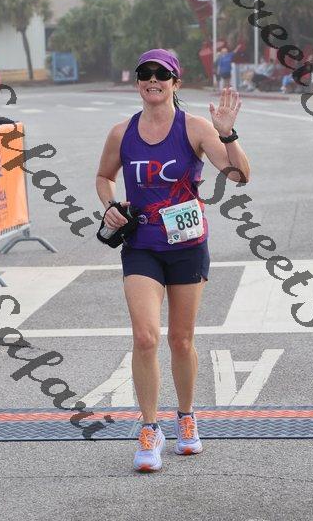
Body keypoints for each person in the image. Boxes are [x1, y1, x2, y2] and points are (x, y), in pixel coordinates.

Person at [96, 48, 250, 472]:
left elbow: (240, 175)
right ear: (137, 82)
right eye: (145, 73)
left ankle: (186, 416)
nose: (153, 79)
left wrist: (228, 134)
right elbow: (104, 176)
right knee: (145, 337)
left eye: (161, 74)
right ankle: (149, 428)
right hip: (142, 245)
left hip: (187, 245)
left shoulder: (195, 127)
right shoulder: (121, 133)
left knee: (181, 340)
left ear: (174, 83)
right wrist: (110, 205)